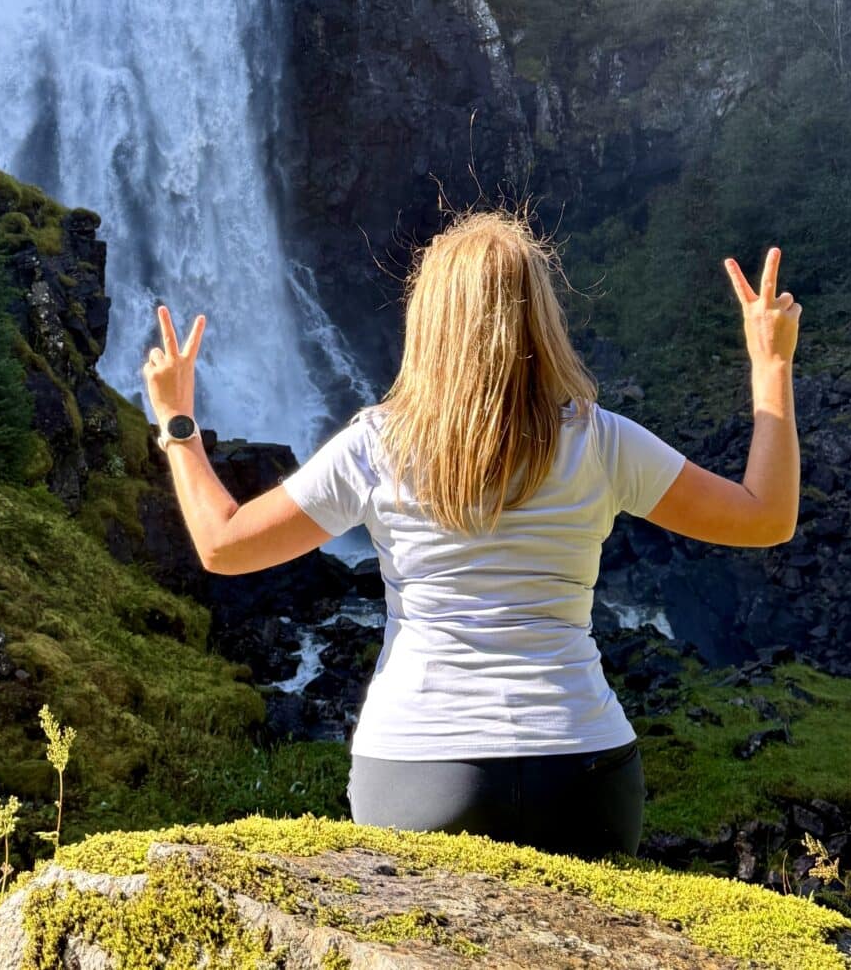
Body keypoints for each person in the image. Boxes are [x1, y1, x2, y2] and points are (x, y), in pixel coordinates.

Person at [142, 210, 801, 860]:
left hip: (418, 773)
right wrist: (770, 364)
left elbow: (223, 543)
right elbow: (766, 515)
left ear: (429, 320)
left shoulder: (375, 446)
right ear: (540, 317)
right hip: (581, 774)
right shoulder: (601, 441)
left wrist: (178, 422)